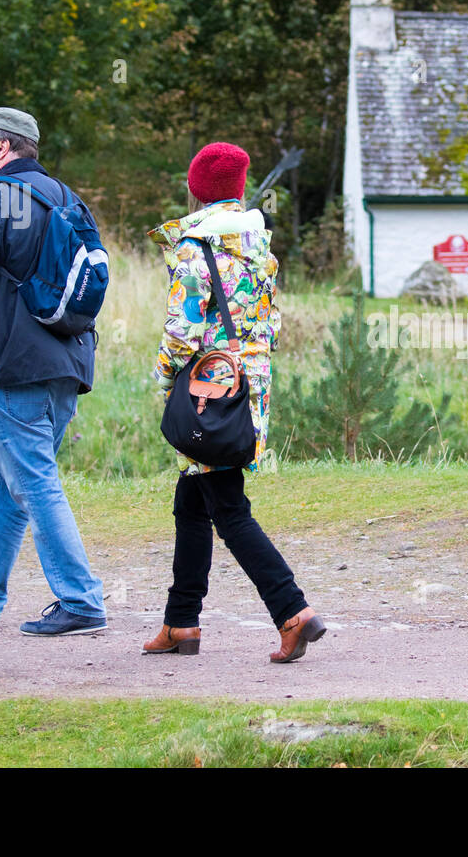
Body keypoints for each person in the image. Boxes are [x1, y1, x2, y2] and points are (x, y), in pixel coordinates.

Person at [141, 141, 325, 663]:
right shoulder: (259, 247)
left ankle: (293, 611)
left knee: (228, 507)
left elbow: (181, 333)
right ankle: (181, 623)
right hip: (248, 389)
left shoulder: (193, 249)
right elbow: (271, 325)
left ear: (197, 190)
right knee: (192, 503)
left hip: (208, 396)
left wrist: (164, 383)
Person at [0, 106, 107, 636]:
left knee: (33, 481)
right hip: (68, 362)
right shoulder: (67, 198)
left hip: (8, 370)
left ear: (6, 148)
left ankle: (81, 601)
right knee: (11, 480)